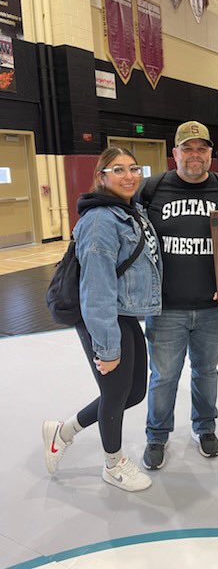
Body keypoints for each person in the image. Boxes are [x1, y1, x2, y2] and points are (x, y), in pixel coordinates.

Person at [42, 148, 162, 492]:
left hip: (124, 313)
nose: (129, 176)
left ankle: (63, 432)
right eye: (119, 170)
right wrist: (107, 347)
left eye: (133, 168)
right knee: (115, 393)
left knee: (134, 392)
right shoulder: (100, 221)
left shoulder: (130, 210)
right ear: (102, 176)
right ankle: (113, 464)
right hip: (105, 316)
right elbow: (96, 289)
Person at [139, 121, 218, 471]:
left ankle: (205, 427)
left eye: (202, 149)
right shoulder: (153, 189)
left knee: (206, 372)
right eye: (188, 148)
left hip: (214, 307)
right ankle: (156, 435)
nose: (195, 155)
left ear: (211, 154)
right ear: (175, 154)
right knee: (164, 375)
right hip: (165, 308)